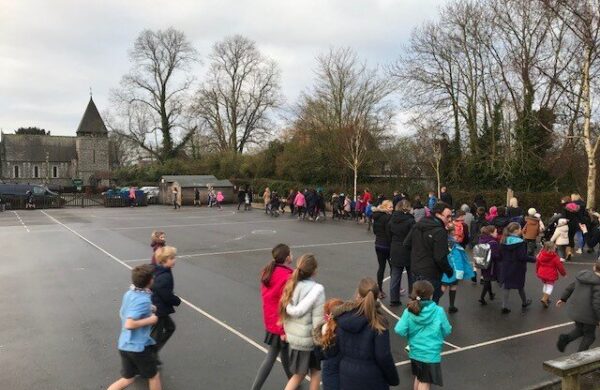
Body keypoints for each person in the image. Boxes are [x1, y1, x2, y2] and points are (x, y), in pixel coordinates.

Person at [332, 278, 399, 390]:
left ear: (358, 294)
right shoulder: (378, 322)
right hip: (372, 377)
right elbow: (383, 355)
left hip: (347, 376)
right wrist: (393, 378)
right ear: (377, 297)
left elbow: (335, 349)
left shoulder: (343, 318)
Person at [107, 265, 161, 390]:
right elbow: (129, 324)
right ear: (149, 281)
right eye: (153, 277)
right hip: (138, 348)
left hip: (124, 344)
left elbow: (128, 310)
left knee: (128, 378)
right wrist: (151, 319)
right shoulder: (143, 300)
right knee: (154, 376)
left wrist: (150, 308)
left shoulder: (130, 293)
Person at [279, 254, 325, 390]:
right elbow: (318, 320)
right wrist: (321, 341)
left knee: (298, 375)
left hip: (296, 340)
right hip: (310, 340)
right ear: (314, 271)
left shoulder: (291, 286)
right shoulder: (317, 291)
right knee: (316, 373)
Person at [251, 244, 294, 390]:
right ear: (287, 257)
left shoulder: (268, 271)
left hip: (271, 320)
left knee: (284, 353)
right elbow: (284, 304)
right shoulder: (287, 277)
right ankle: (255, 387)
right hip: (281, 323)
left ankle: (292, 379)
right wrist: (283, 330)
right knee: (271, 356)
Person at [395, 280, 452, 390]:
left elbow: (399, 330)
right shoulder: (438, 311)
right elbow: (447, 330)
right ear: (431, 295)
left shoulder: (409, 311)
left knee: (419, 378)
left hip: (415, 352)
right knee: (425, 382)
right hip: (430, 354)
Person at [404, 202, 454, 303]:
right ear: (438, 214)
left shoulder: (418, 224)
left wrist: (418, 254)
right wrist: (449, 271)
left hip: (415, 270)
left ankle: (414, 318)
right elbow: (440, 257)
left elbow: (406, 243)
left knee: (416, 301)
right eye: (448, 216)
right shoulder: (440, 231)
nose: (450, 219)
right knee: (430, 305)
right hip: (431, 273)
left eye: (451, 216)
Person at [556, 260, 600, 352]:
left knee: (580, 330)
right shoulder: (598, 284)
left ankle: (565, 339)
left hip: (576, 311)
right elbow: (597, 304)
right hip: (589, 315)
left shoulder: (583, 277)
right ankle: (580, 356)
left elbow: (570, 287)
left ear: (594, 267)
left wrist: (563, 299)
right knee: (590, 336)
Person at [150, 246, 181, 364]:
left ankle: (153, 352)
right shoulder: (165, 276)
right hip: (159, 310)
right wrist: (176, 300)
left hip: (159, 308)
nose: (174, 260)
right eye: (171, 258)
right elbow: (165, 294)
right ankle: (149, 356)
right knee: (156, 335)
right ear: (164, 260)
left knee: (170, 328)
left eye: (174, 257)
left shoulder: (161, 270)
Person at [499, 222, 535, 314]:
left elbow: (500, 254)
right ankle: (524, 302)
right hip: (518, 267)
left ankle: (504, 306)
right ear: (516, 231)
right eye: (520, 228)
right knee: (520, 285)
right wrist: (534, 259)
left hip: (506, 265)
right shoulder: (521, 243)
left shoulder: (504, 240)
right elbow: (522, 256)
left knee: (507, 286)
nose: (521, 230)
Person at [441, 223, 475, 313]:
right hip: (453, 269)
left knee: (443, 286)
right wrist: (460, 271)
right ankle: (451, 306)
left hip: (443, 267)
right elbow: (457, 259)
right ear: (452, 232)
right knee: (453, 286)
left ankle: (434, 303)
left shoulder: (441, 241)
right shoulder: (454, 245)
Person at [313, 298, 345, 390]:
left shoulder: (322, 330)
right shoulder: (345, 330)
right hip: (346, 371)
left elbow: (318, 355)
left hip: (329, 372)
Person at [389, 200, 415, 305]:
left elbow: (389, 234)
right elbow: (414, 236)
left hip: (395, 248)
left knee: (395, 275)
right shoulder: (411, 221)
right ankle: (413, 298)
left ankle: (394, 299)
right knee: (412, 276)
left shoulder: (392, 220)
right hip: (408, 249)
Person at [372, 200, 393, 299]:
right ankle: (395, 288)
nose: (392, 208)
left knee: (381, 267)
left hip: (378, 244)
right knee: (393, 268)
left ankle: (379, 290)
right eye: (390, 207)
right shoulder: (387, 218)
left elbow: (375, 230)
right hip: (387, 245)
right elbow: (389, 232)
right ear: (385, 207)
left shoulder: (376, 217)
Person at [536, 241, 567, 308]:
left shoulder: (541, 254)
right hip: (550, 274)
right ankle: (544, 299)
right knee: (550, 286)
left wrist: (537, 271)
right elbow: (560, 267)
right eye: (554, 248)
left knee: (545, 285)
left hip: (542, 273)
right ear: (552, 249)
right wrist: (564, 274)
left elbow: (537, 263)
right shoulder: (555, 257)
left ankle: (546, 298)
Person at [477, 225, 501, 305]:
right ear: (491, 233)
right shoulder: (493, 242)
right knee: (487, 280)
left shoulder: (482, 239)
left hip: (482, 262)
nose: (497, 233)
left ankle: (490, 294)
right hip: (491, 264)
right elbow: (495, 255)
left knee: (487, 278)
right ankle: (482, 297)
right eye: (495, 232)